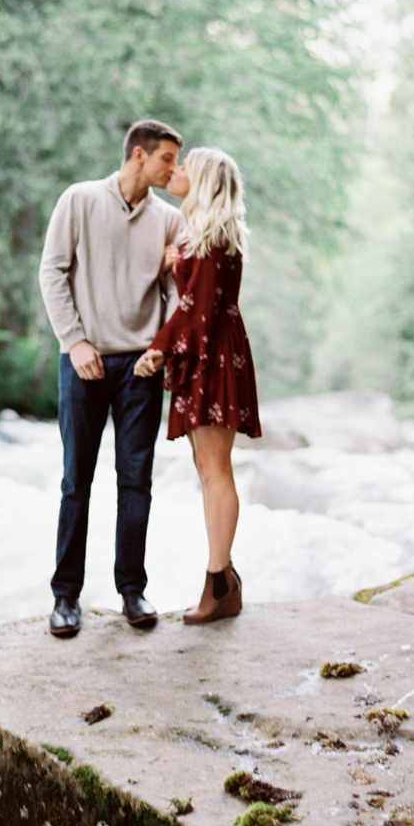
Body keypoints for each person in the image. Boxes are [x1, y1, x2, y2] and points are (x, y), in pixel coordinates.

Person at [39, 120, 184, 638]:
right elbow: (52, 271)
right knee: (76, 480)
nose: (174, 170)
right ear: (139, 155)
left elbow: (180, 294)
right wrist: (75, 340)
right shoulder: (79, 200)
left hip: (140, 368)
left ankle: (132, 591)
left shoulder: (170, 220)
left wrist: (161, 349)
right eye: (168, 159)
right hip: (82, 361)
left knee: (135, 482)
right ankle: (65, 597)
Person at [134, 147, 260, 624]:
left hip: (212, 356)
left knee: (214, 470)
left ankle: (220, 583)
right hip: (210, 353)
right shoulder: (206, 236)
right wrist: (176, 261)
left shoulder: (213, 239)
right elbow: (195, 297)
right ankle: (223, 582)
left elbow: (195, 312)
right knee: (209, 469)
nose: (177, 170)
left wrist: (158, 349)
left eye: (185, 166)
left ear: (203, 180)